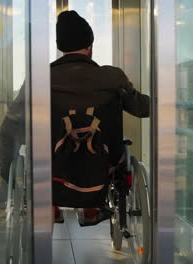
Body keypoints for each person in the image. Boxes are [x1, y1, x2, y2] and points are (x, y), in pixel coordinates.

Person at [51, 10, 150, 225]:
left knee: (43, 150)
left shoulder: (40, 78)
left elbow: (14, 121)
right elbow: (142, 108)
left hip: (54, 167)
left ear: (60, 46)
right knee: (107, 149)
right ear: (90, 45)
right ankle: (90, 208)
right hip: (103, 163)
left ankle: (52, 206)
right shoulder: (112, 77)